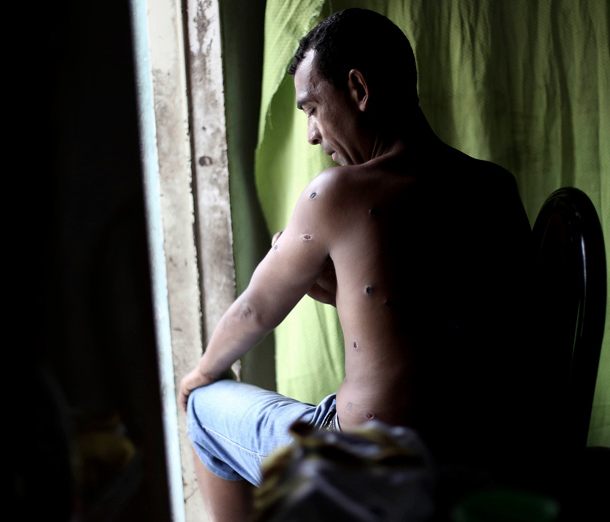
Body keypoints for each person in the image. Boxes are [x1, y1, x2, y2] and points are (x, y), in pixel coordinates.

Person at [180, 8, 533, 521]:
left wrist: (200, 373)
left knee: (203, 410)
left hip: (368, 464)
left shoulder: (337, 193)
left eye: (312, 108)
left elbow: (254, 311)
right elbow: (469, 326)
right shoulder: (495, 187)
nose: (312, 134)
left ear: (358, 89)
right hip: (481, 453)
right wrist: (339, 293)